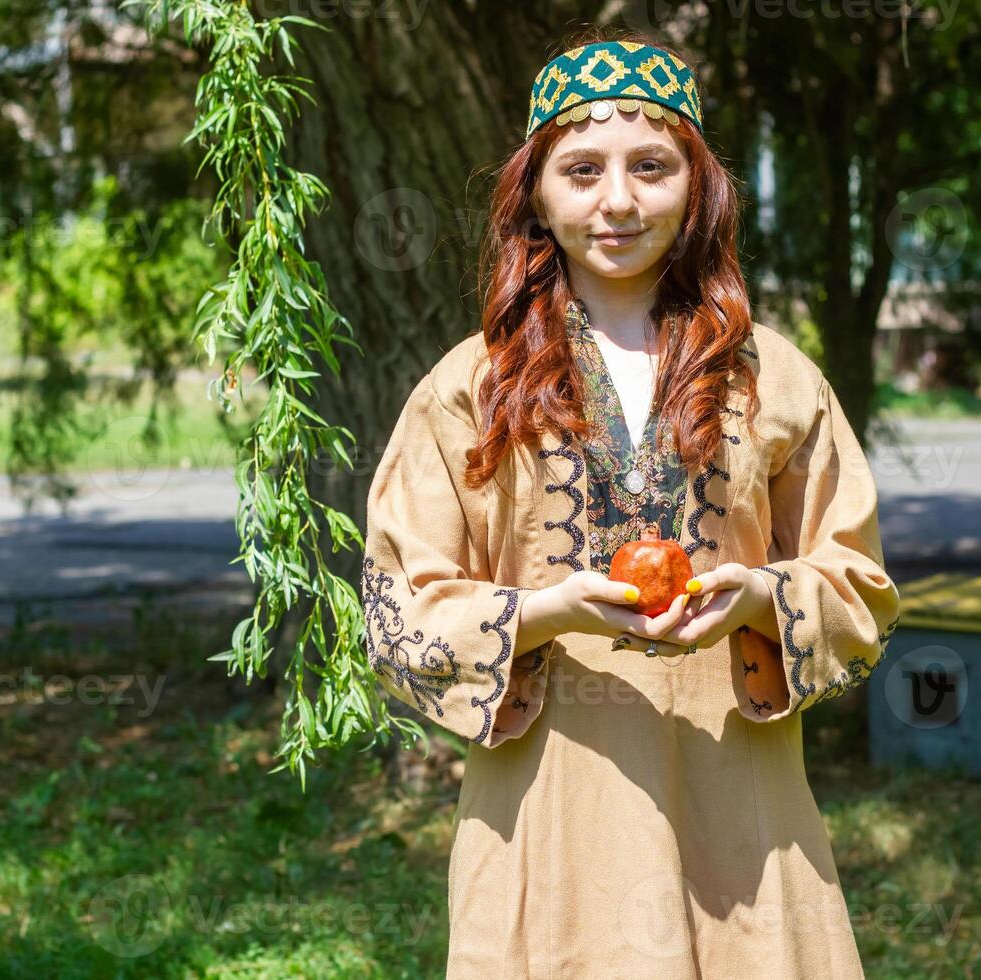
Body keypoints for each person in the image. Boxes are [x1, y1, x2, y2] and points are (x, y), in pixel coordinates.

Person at [360, 29, 901, 978]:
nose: (617, 201)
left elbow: (859, 589)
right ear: (534, 190)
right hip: (551, 816)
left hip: (742, 812)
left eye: (651, 166)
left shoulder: (772, 377)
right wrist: (539, 615)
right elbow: (395, 613)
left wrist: (764, 599)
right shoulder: (470, 390)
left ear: (698, 184)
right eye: (581, 170)